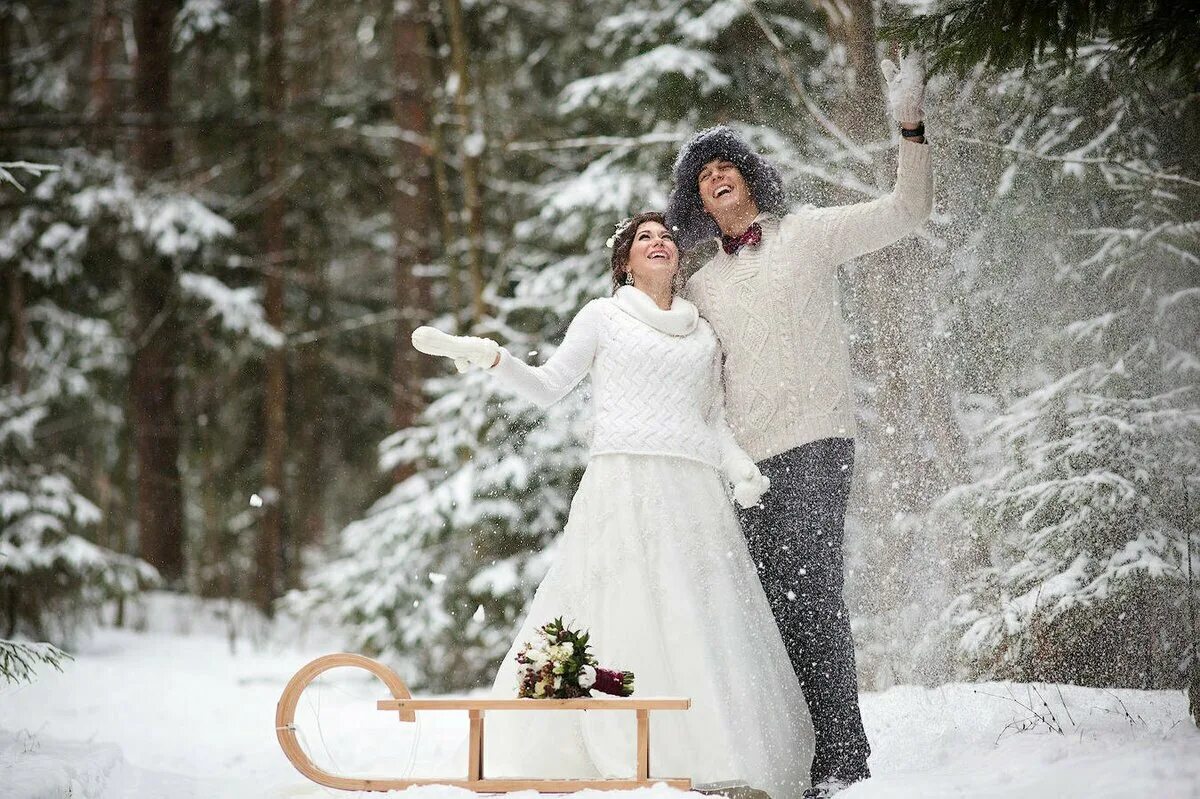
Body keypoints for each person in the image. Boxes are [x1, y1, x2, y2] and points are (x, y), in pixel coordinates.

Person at [411, 212, 814, 798]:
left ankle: (717, 759)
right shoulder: (603, 317)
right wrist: (491, 357)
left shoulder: (703, 332)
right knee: (623, 605)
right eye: (643, 238)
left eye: (666, 236)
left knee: (697, 615)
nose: (659, 243)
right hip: (623, 482)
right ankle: (612, 753)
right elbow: (550, 385)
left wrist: (737, 466)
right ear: (624, 262)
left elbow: (713, 417)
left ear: (678, 258)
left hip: (696, 494)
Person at [664, 51, 934, 797]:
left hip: (818, 441)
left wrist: (910, 129)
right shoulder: (702, 285)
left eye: (727, 163)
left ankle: (845, 757)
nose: (716, 174)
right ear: (697, 202)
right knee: (767, 605)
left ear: (749, 177)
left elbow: (906, 212)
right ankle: (796, 754)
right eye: (701, 174)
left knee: (811, 590)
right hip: (746, 465)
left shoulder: (808, 234)